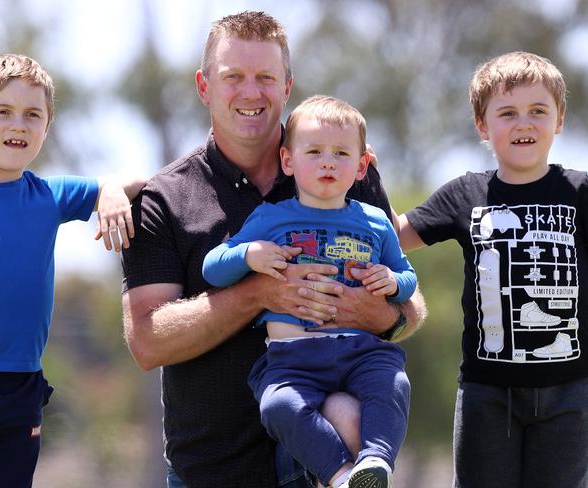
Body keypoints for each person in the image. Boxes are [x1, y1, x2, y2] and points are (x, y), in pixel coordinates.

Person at [121, 11, 425, 488]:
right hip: (211, 471)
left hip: (329, 471)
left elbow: (410, 308)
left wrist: (377, 311)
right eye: (232, 77)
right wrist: (258, 294)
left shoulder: (343, 170)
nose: (250, 92)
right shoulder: (164, 198)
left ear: (287, 87)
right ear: (204, 86)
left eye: (266, 77)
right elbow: (147, 341)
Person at [0, 53, 145, 488]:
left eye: (33, 114)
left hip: (21, 390)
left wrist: (108, 191)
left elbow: (134, 180)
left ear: (46, 127)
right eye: (4, 112)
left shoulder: (50, 195)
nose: (19, 124)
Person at [396, 51, 588, 487]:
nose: (524, 123)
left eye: (538, 110)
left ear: (559, 119)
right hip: (487, 393)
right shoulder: (465, 194)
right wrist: (353, 175)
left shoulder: (580, 192)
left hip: (570, 393)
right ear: (483, 126)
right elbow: (393, 234)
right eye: (507, 113)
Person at [202, 95, 414, 488]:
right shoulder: (272, 216)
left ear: (362, 165)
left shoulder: (376, 222)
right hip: (291, 358)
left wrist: (393, 280)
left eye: (341, 153)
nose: (328, 162)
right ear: (288, 161)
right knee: (278, 405)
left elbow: (407, 276)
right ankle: (341, 475)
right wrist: (249, 254)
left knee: (394, 384)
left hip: (360, 351)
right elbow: (213, 268)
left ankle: (376, 460)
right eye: (314, 152)